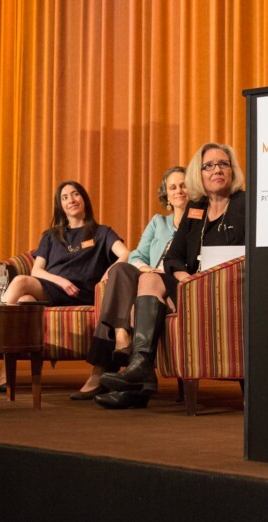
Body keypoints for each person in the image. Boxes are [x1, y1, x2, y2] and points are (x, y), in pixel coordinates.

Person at [95, 143, 246, 409]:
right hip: (189, 284)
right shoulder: (195, 208)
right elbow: (174, 255)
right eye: (208, 165)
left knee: (151, 302)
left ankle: (138, 386)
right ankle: (141, 366)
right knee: (149, 279)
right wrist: (184, 276)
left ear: (232, 170)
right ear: (198, 174)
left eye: (223, 164)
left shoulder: (244, 203)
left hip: (226, 288)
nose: (216, 170)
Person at [0, 180, 129, 390]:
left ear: (84, 199)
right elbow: (36, 271)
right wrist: (61, 281)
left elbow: (125, 254)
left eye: (75, 194)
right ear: (60, 205)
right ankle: (6, 370)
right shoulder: (51, 235)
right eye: (64, 197)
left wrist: (107, 274)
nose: (71, 200)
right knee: (25, 300)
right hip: (54, 288)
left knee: (20, 282)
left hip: (83, 291)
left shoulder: (101, 232)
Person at [71, 166, 189, 400]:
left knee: (123, 298)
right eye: (173, 187)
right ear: (166, 195)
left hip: (171, 282)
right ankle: (121, 334)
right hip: (149, 275)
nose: (179, 191)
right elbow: (136, 256)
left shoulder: (198, 223)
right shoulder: (158, 223)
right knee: (120, 270)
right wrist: (147, 269)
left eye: (184, 185)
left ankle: (101, 373)